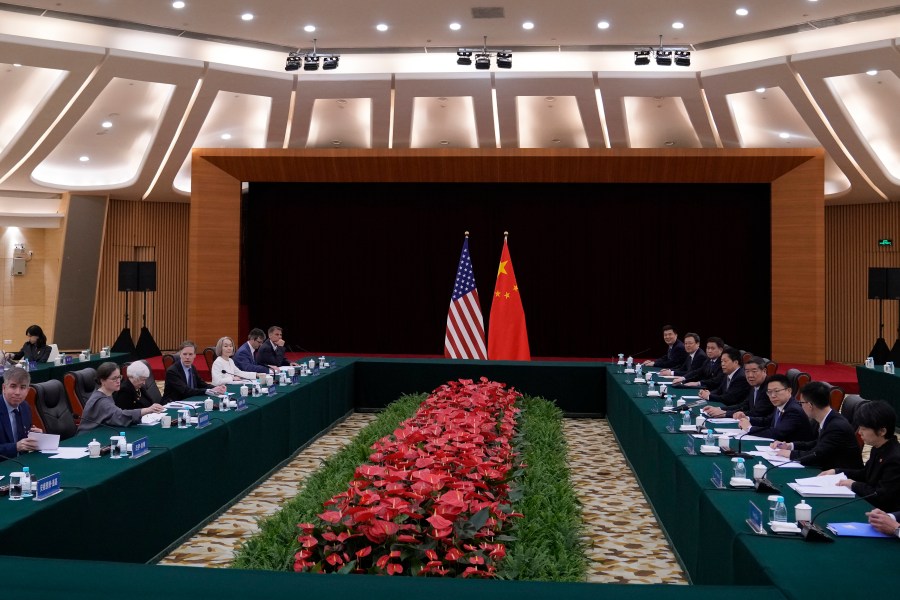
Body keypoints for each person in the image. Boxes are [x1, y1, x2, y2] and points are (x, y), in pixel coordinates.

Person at [821, 400, 900, 512]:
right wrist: (836, 471)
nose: (859, 433)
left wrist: (853, 485)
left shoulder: (894, 458)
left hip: (883, 514)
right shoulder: (878, 448)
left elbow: (881, 495)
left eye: (864, 429)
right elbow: (865, 473)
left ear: (882, 431)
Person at [769, 381, 862, 470]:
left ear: (810, 405)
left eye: (801, 403)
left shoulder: (836, 426)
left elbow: (817, 455)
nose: (801, 406)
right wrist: (790, 446)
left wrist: (790, 454)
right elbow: (818, 443)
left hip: (841, 477)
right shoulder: (829, 418)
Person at [78, 362, 165, 433]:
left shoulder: (108, 394)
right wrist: (147, 410)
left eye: (119, 377)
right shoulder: (101, 401)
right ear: (102, 380)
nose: (118, 381)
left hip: (102, 433)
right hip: (87, 438)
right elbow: (119, 415)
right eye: (114, 378)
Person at [737, 374, 814, 441]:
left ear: (789, 390)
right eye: (769, 392)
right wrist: (748, 419)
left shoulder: (793, 410)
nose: (773, 395)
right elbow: (767, 421)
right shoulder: (781, 404)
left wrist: (749, 428)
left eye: (776, 391)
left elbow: (776, 433)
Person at [704, 356, 773, 419]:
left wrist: (726, 413)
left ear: (764, 371)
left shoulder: (770, 388)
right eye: (747, 372)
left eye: (754, 371)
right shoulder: (755, 384)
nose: (750, 375)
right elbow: (744, 405)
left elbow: (757, 413)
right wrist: (720, 409)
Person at [0, 366, 42, 458]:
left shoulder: (25, 407)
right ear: (4, 388)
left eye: (22, 387)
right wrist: (15, 447)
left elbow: (24, 439)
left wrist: (35, 437)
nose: (18, 392)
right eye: (13, 386)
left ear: (27, 390)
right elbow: (18, 446)